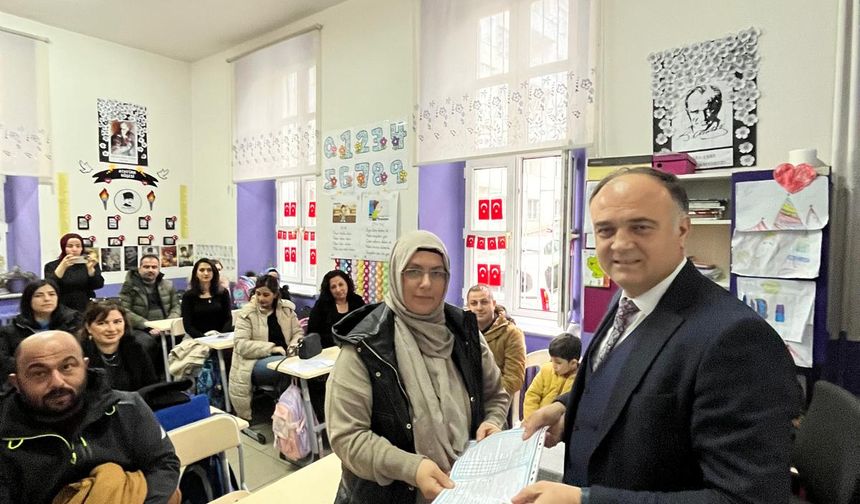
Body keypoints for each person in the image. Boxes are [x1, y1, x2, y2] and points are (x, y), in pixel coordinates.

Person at [513, 168, 801, 504]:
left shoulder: (736, 339)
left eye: (640, 227)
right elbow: (623, 386)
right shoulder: (626, 298)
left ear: (682, 229)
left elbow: (746, 499)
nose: (620, 244)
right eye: (606, 230)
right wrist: (565, 409)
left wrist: (587, 501)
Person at [326, 230, 509, 503]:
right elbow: (347, 438)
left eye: (438, 273)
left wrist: (492, 423)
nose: (427, 283)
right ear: (397, 276)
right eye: (414, 271)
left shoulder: (466, 334)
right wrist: (411, 468)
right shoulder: (365, 348)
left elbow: (496, 395)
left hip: (462, 488)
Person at [0, 331, 179, 504]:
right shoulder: (4, 435)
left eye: (67, 367)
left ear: (85, 366)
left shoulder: (127, 407)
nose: (57, 382)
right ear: (16, 382)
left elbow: (163, 464)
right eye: (39, 373)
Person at [228, 275, 303, 421]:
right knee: (285, 370)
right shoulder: (247, 313)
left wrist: (293, 346)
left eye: (266, 294)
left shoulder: (286, 310)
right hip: (253, 362)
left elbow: (298, 333)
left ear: (275, 295)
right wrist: (272, 348)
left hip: (286, 357)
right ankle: (285, 415)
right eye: (258, 294)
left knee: (300, 370)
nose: (261, 298)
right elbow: (241, 345)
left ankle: (299, 411)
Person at [0, 280, 82, 377]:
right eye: (38, 295)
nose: (47, 299)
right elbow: (4, 362)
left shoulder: (72, 323)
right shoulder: (10, 330)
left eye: (52, 294)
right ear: (28, 300)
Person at [119, 254, 181, 373]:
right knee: (147, 344)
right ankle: (151, 377)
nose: (150, 270)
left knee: (181, 341)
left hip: (166, 327)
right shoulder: (129, 286)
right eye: (146, 267)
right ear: (139, 268)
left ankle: (172, 375)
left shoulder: (168, 285)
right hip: (141, 328)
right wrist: (147, 325)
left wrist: (169, 324)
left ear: (158, 269)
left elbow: (176, 307)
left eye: (154, 267)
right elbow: (124, 311)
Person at [79, 301, 158, 392]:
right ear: (88, 327)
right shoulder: (80, 354)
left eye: (117, 322)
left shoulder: (136, 349)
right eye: (102, 323)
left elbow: (150, 386)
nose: (111, 329)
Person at [466, 284, 526, 398]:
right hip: (465, 396)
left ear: (493, 304)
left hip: (497, 398)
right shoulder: (461, 329)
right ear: (468, 307)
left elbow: (514, 380)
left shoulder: (512, 334)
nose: (479, 307)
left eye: (484, 302)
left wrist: (482, 395)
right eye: (474, 303)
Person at [522, 332, 581, 421]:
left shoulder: (579, 381)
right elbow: (532, 395)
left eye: (558, 362)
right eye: (552, 360)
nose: (553, 365)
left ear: (573, 363)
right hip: (535, 421)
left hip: (558, 427)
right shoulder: (546, 370)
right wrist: (531, 418)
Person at [43, 233, 105, 312]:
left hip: (86, 307)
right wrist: (62, 267)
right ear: (63, 248)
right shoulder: (52, 265)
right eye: (70, 246)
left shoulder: (89, 263)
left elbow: (98, 285)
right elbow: (50, 286)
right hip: (62, 308)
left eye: (78, 246)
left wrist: (91, 271)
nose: (74, 249)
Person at [308, 269, 365, 349]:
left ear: (347, 284)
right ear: (329, 290)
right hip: (327, 350)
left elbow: (365, 328)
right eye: (333, 287)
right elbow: (312, 333)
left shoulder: (358, 301)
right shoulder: (321, 305)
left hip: (353, 349)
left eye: (341, 284)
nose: (338, 289)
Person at [181, 258, 233, 339]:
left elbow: (228, 319)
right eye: (202, 270)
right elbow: (188, 326)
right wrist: (204, 338)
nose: (206, 273)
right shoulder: (188, 296)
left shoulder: (223, 293)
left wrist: (220, 336)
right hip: (198, 338)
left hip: (221, 337)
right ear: (195, 273)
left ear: (214, 273)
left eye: (209, 270)